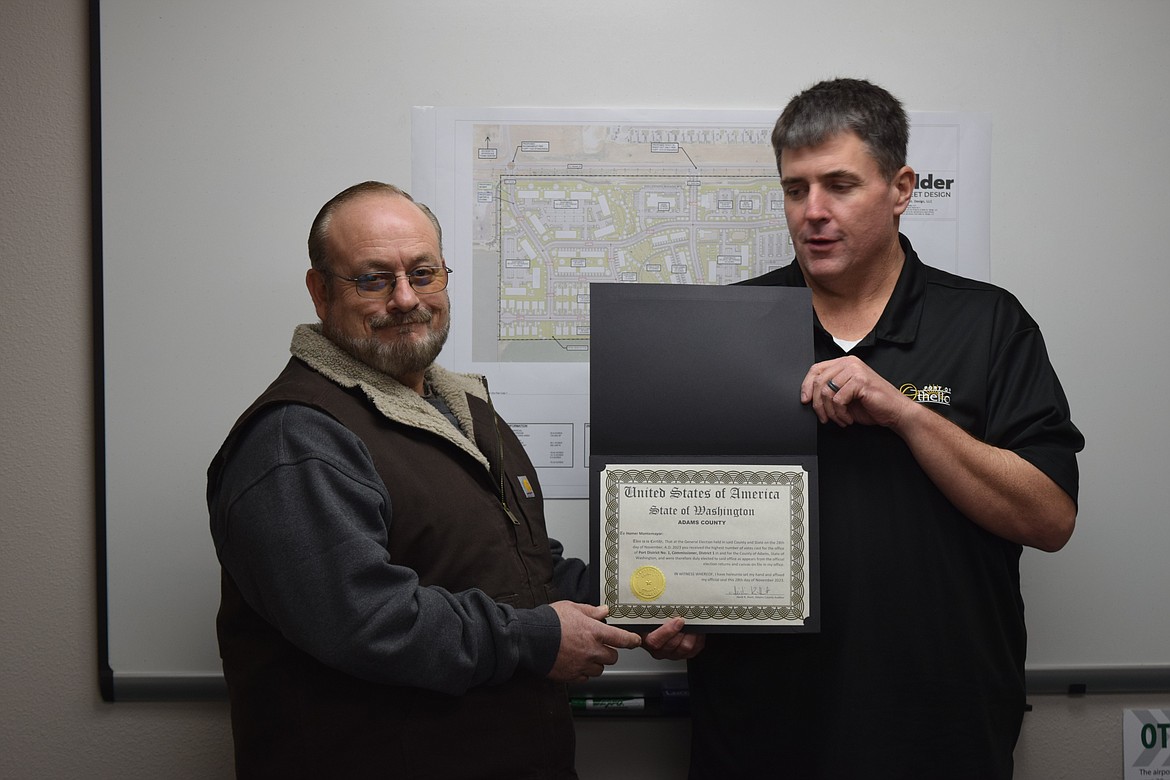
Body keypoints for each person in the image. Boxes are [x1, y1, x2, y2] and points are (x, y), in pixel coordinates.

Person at [207, 181, 698, 779]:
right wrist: (537, 640)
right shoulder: (297, 440)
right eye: (373, 279)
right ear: (320, 291)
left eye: (423, 273)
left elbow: (527, 570)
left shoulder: (464, 411)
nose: (406, 298)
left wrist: (653, 601)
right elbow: (369, 622)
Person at [686, 79, 1084, 779]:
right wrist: (667, 608)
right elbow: (682, 521)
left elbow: (1049, 517)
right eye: (795, 189)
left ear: (901, 188)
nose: (813, 213)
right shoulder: (727, 329)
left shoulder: (989, 325)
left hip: (940, 728)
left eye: (840, 185)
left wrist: (905, 412)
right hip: (758, 730)